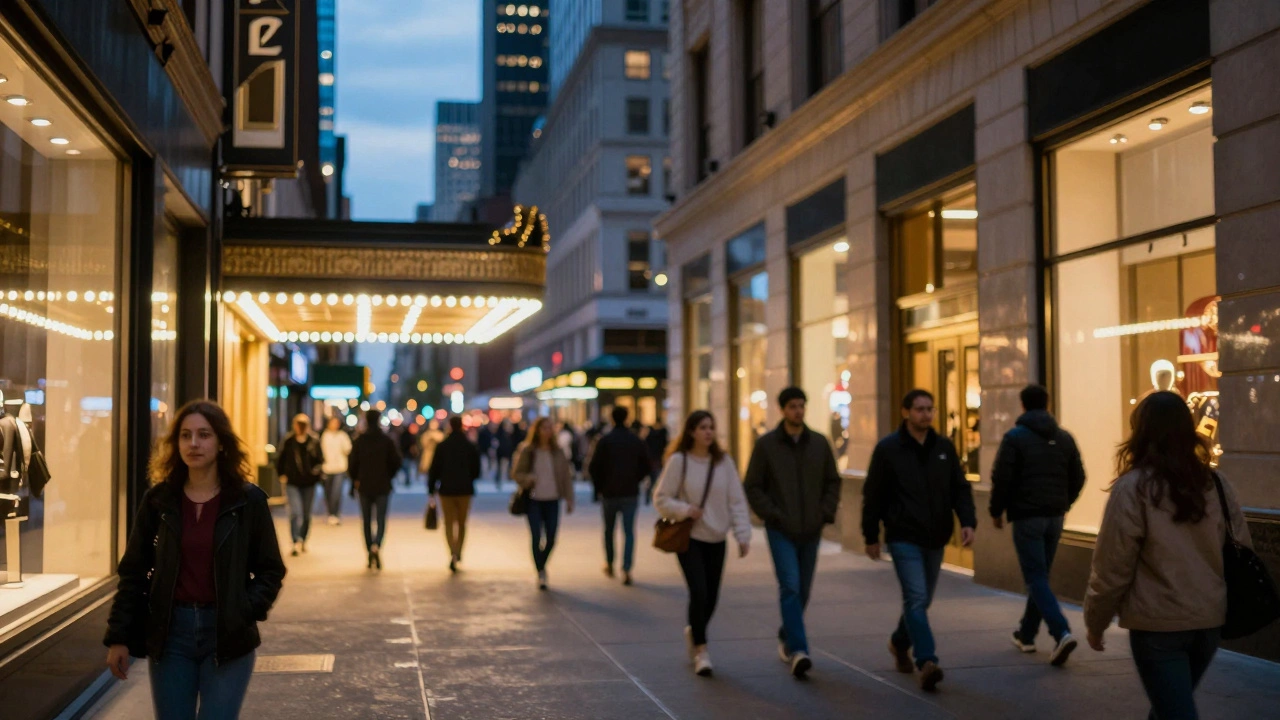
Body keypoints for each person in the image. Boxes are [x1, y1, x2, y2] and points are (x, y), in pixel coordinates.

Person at [105, 400, 286, 720]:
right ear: (175, 444)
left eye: (204, 434)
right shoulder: (159, 500)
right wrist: (119, 637)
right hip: (171, 634)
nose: (194, 443)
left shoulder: (247, 501)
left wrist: (245, 609)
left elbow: (271, 568)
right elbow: (133, 571)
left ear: (220, 443)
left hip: (228, 635)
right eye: (186, 435)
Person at [1084, 391, 1251, 720]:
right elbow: (1242, 546)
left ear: (1141, 432)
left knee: (1173, 710)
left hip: (1157, 625)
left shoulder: (1133, 488)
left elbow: (1112, 566)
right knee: (1169, 707)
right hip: (1207, 620)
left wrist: (1096, 620)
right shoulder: (1215, 483)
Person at [862, 389, 976, 692]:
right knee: (915, 597)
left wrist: (967, 522)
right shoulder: (889, 449)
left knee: (922, 600)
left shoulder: (943, 447)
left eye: (930, 409)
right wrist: (871, 535)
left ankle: (899, 643)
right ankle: (927, 661)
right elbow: (873, 495)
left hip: (936, 536)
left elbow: (959, 488)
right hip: (903, 536)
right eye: (920, 409)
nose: (926, 414)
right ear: (906, 412)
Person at [744, 387, 842, 679]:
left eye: (801, 406)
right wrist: (772, 514)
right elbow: (753, 486)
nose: (798, 411)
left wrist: (824, 513)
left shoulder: (819, 444)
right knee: (790, 585)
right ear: (782, 410)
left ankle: (787, 632)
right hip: (781, 529)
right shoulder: (767, 445)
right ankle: (799, 650)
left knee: (804, 590)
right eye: (793, 407)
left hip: (811, 529)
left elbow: (832, 481)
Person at [990, 384, 1086, 664]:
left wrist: (997, 511)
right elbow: (1079, 476)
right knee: (1040, 575)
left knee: (1036, 577)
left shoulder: (1015, 438)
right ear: (1048, 404)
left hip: (1027, 517)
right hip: (1055, 517)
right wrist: (1064, 503)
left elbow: (1002, 478)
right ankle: (1026, 634)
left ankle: (1062, 632)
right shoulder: (1065, 438)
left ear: (1022, 406)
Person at [654, 411, 752, 678]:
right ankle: (702, 650)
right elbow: (661, 498)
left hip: (717, 538)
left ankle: (695, 629)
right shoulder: (679, 461)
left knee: (712, 597)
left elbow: (737, 501)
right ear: (691, 432)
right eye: (702, 427)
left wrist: (743, 535)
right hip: (691, 539)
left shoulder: (724, 463)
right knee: (698, 592)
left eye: (711, 427)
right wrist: (685, 509)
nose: (708, 432)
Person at [588, 406, 652, 585]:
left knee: (609, 530)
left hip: (609, 493)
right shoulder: (635, 440)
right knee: (629, 531)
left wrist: (599, 487)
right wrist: (636, 479)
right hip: (630, 492)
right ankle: (626, 568)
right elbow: (646, 466)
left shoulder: (605, 441)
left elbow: (594, 467)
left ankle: (609, 563)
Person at [513, 417, 574, 590]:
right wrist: (528, 479)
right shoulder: (527, 450)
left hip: (553, 499)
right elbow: (517, 473)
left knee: (552, 537)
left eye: (550, 428)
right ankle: (540, 570)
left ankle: (542, 563)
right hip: (533, 499)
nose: (548, 431)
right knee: (536, 536)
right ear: (537, 430)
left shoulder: (558, 451)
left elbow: (565, 477)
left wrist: (569, 498)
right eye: (544, 428)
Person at [349, 409, 401, 570]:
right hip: (382, 485)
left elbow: (352, 464)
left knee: (366, 520)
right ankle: (377, 545)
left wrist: (355, 479)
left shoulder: (359, 441)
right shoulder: (386, 440)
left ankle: (369, 547)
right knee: (380, 519)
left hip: (364, 485)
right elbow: (396, 462)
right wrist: (388, 475)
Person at [428, 416, 481, 573]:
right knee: (462, 523)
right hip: (465, 489)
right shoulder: (470, 446)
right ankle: (459, 550)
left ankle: (452, 550)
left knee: (449, 522)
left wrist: (431, 488)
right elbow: (476, 470)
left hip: (446, 489)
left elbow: (434, 469)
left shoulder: (443, 446)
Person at [275, 414, 324, 556]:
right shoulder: (289, 441)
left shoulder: (314, 441)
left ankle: (303, 539)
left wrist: (316, 472)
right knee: (295, 512)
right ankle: (296, 539)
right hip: (292, 482)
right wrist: (281, 474)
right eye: (298, 424)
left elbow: (320, 460)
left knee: (307, 514)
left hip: (309, 482)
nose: (300, 427)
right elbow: (281, 458)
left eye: (303, 424)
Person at [319, 416, 352, 526]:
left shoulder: (342, 436)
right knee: (328, 492)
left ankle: (335, 513)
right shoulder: (325, 436)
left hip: (340, 468)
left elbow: (348, 449)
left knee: (336, 492)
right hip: (327, 468)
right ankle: (330, 513)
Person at [642, 417, 669, 506]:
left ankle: (649, 496)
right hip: (658, 459)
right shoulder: (662, 434)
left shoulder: (650, 435)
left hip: (652, 460)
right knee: (656, 479)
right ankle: (652, 496)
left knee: (653, 479)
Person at [494, 420, 515, 489]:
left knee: (508, 466)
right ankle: (499, 479)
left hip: (507, 452)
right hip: (501, 452)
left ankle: (508, 478)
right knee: (499, 467)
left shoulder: (509, 433)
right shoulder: (501, 433)